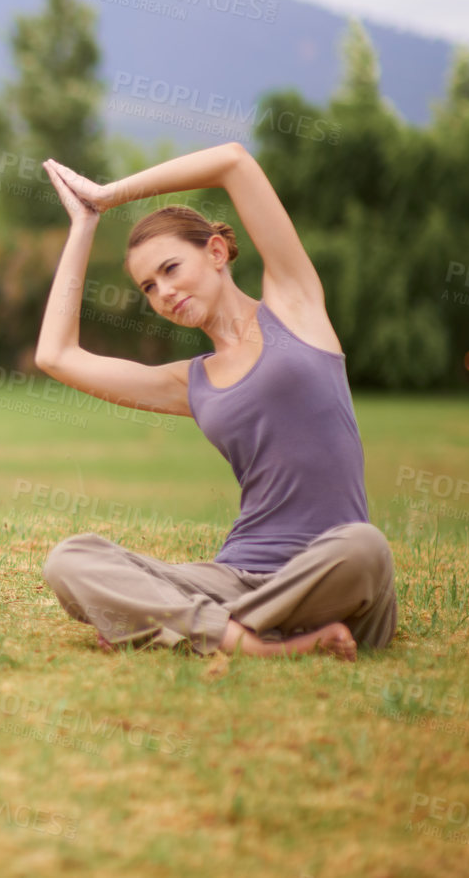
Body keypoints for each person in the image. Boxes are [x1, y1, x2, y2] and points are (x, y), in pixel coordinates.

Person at [33, 142, 395, 661]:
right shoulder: (192, 383)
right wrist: (83, 227)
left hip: (330, 571)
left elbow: (234, 162)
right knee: (71, 560)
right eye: (149, 288)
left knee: (366, 547)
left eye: (171, 269)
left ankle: (172, 623)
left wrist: (108, 196)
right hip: (235, 578)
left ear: (218, 253)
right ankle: (253, 643)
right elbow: (57, 355)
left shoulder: (294, 306)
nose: (163, 292)